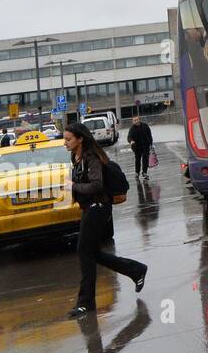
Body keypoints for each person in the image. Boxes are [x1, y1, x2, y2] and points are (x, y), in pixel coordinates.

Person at [63, 113, 147, 318]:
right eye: (64, 139)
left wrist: (73, 186)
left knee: (85, 253)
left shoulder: (91, 157)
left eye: (68, 139)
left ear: (80, 138)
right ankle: (136, 270)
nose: (64, 143)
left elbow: (96, 184)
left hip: (98, 207)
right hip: (89, 208)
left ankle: (85, 304)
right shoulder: (76, 157)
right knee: (92, 253)